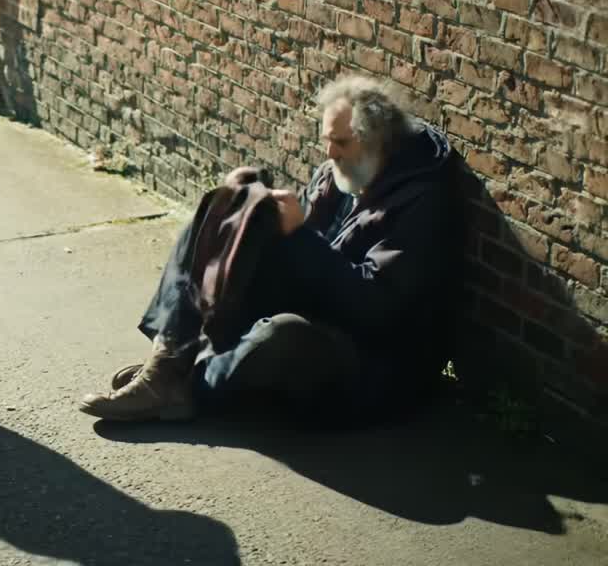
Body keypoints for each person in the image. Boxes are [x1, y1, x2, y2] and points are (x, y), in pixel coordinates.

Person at [78, 75, 466, 426]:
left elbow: (375, 310)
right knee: (226, 208)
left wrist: (298, 235)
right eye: (326, 140)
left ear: (379, 143)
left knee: (282, 337)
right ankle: (167, 365)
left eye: (342, 143)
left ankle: (189, 381)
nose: (330, 153)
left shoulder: (422, 203)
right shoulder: (344, 171)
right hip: (320, 305)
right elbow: (301, 259)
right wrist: (247, 214)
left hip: (366, 359)